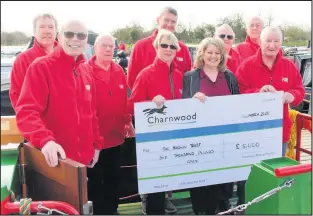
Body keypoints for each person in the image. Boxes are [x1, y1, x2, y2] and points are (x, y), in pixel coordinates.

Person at [14, 20, 103, 168]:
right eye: (69, 34)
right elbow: (26, 112)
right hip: (56, 163)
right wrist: (45, 141)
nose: (75, 39)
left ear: (87, 41)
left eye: (81, 35)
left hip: (84, 163)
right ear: (59, 37)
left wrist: (97, 144)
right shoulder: (41, 67)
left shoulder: (85, 71)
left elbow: (92, 112)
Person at [127, 6, 190, 214]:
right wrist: (149, 103)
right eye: (164, 45)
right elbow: (132, 102)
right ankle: (152, 204)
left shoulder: (180, 74)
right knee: (154, 175)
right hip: (152, 132)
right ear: (157, 47)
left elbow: (186, 96)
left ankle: (165, 198)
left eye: (172, 46)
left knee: (170, 169)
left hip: (173, 130)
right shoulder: (145, 71)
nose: (169, 49)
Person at [182, 37, 240, 215]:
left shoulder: (229, 77)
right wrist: (192, 101)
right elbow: (182, 106)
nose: (213, 56)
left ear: (222, 56)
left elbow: (238, 103)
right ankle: (199, 210)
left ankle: (219, 207)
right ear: (202, 53)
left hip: (224, 137)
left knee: (221, 178)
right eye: (209, 52)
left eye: (217, 53)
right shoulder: (190, 77)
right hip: (199, 138)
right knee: (199, 179)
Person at [236, 26, 305, 157]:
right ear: (260, 42)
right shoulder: (246, 66)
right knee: (250, 174)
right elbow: (237, 93)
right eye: (268, 41)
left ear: (281, 43)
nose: (272, 45)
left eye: (276, 41)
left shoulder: (289, 66)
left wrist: (292, 95)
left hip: (279, 132)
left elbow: (300, 90)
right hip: (251, 132)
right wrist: (258, 92)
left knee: (276, 173)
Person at [87, 33, 134, 215]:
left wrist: (128, 122)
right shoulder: (85, 70)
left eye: (110, 46)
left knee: (113, 177)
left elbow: (125, 100)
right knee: (95, 180)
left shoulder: (118, 71)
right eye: (103, 45)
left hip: (115, 138)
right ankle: (98, 211)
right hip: (93, 140)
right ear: (95, 48)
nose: (107, 49)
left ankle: (112, 210)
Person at [127, 6, 192, 91]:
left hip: (176, 102)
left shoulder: (183, 48)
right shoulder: (140, 46)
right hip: (149, 102)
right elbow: (132, 80)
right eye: (166, 20)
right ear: (158, 20)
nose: (169, 24)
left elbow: (188, 79)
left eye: (173, 22)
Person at [214, 23, 242, 213]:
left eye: (229, 36)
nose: (225, 39)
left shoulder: (239, 60)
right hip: (209, 124)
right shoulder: (205, 56)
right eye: (221, 35)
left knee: (229, 162)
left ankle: (225, 202)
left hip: (231, 121)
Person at [10, 13, 59, 110]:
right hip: (37, 122)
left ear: (56, 31)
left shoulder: (67, 57)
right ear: (34, 32)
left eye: (50, 27)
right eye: (42, 27)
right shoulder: (23, 59)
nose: (47, 31)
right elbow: (16, 96)